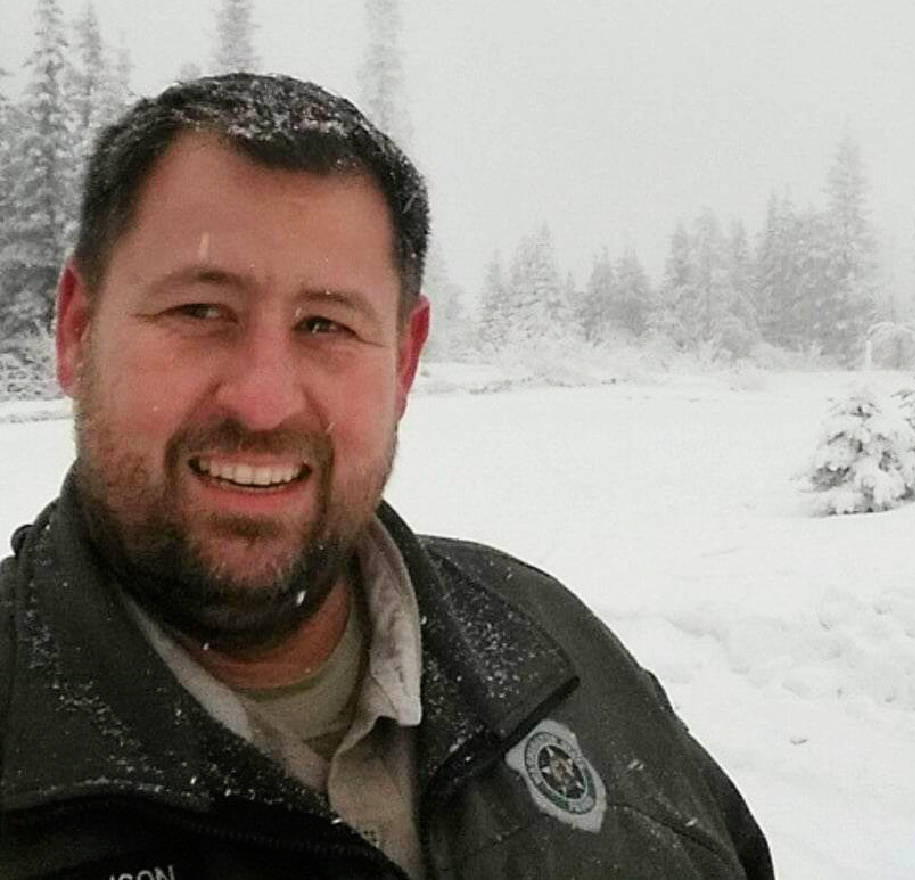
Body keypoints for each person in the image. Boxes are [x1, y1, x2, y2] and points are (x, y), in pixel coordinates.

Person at [0, 73, 773, 879]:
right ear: (77, 330)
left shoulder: (561, 658)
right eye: (200, 311)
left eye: (325, 325)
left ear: (403, 362)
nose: (263, 402)